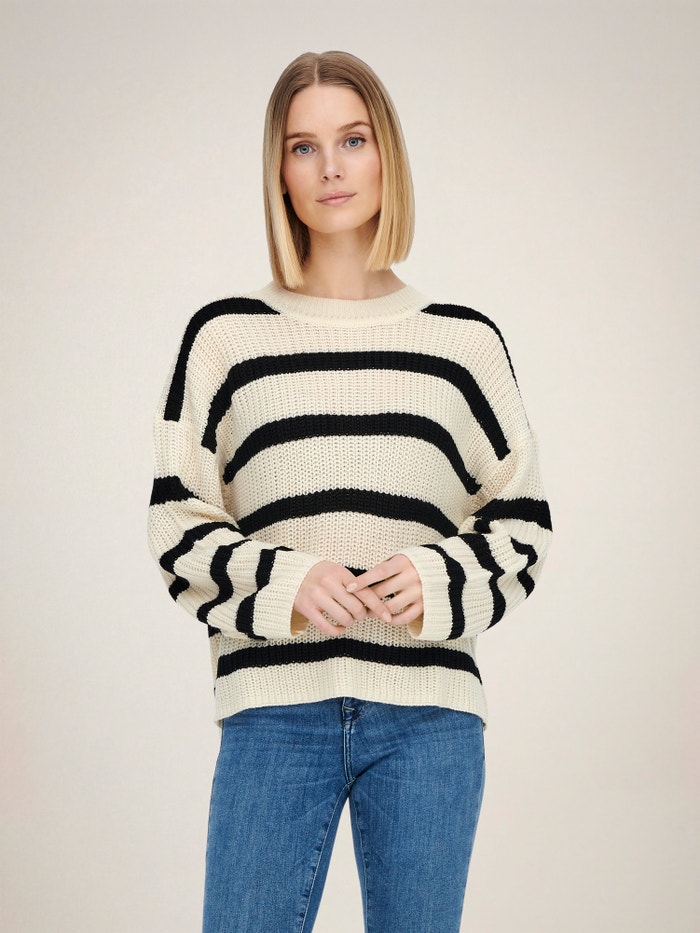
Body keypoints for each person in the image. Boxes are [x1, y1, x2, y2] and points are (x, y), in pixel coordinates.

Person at [148, 50, 552, 933]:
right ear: (279, 171)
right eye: (303, 147)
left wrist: (438, 577)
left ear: (386, 154)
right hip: (272, 712)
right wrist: (288, 582)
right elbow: (177, 523)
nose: (330, 167)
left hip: (429, 721)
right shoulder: (226, 338)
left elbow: (522, 522)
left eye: (353, 140)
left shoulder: (462, 345)